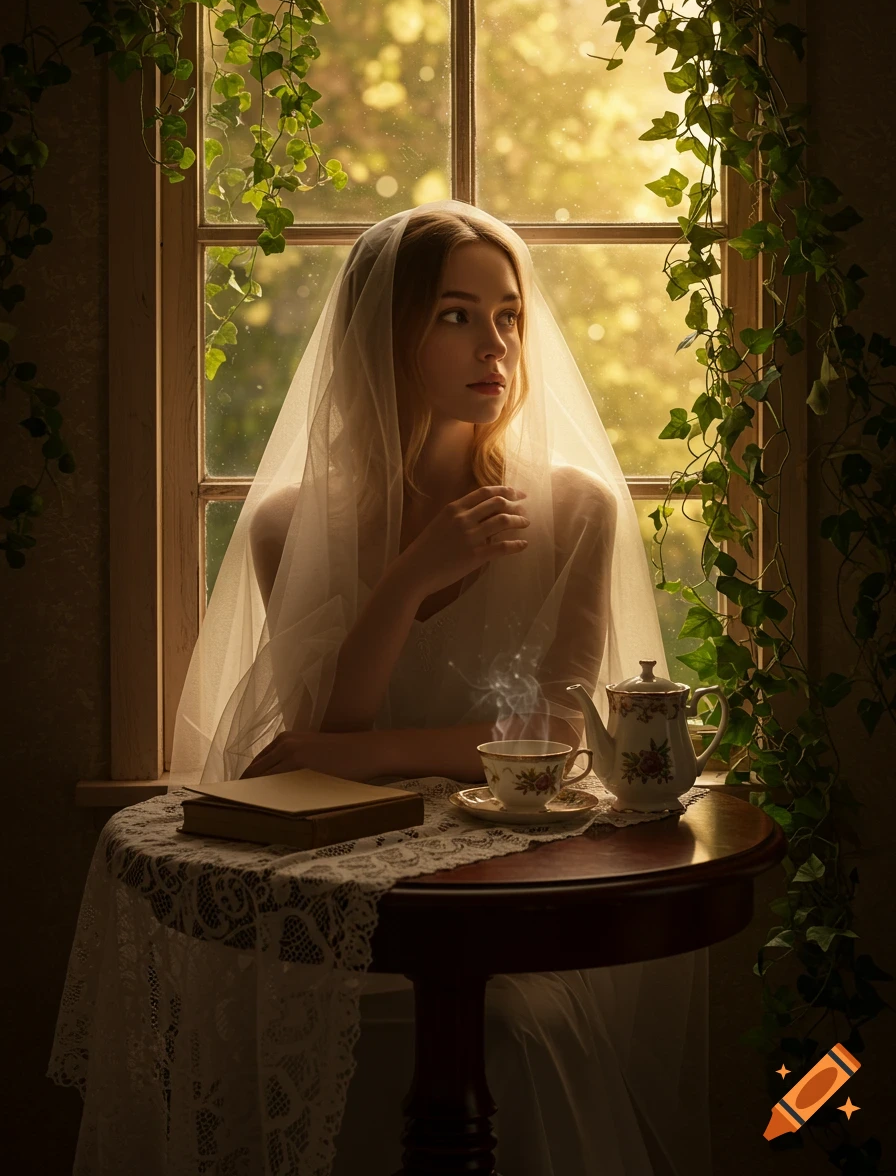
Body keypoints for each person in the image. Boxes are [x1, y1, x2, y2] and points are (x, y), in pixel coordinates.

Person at [169, 201, 711, 1176]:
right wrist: (412, 571)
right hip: (349, 870)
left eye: (506, 314)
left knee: (506, 1029)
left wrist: (344, 753)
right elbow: (319, 732)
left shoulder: (572, 509)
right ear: (384, 335)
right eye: (455, 315)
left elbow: (548, 733)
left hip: (508, 876)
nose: (494, 344)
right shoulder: (289, 523)